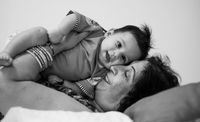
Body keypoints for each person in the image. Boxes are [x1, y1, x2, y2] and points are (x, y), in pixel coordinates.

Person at [0, 10, 152, 99]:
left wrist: (63, 83)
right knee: (39, 32)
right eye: (118, 45)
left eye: (123, 58)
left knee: (28, 83)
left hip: (41, 70)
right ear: (110, 33)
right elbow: (76, 19)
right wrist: (61, 31)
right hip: (40, 45)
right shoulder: (96, 32)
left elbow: (81, 88)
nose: (115, 54)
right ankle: (7, 53)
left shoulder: (101, 72)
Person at [0, 54, 179, 115]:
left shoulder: (84, 115)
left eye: (127, 74)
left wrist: (53, 50)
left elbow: (4, 82)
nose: (115, 67)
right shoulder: (82, 96)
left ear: (134, 99)